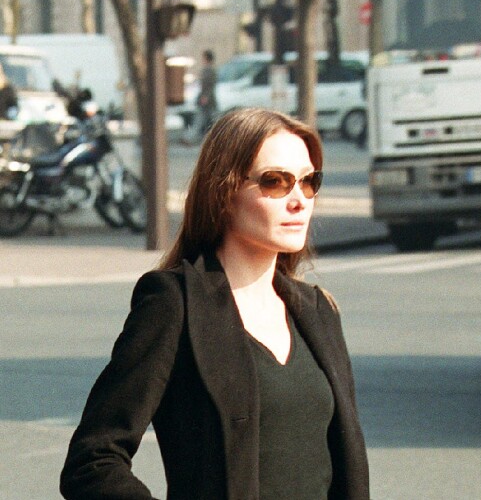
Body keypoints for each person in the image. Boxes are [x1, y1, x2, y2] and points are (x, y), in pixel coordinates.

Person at [60, 106, 370, 500]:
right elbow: (94, 461)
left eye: (309, 182)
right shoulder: (174, 304)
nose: (299, 200)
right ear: (224, 191)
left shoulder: (318, 311)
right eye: (276, 182)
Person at [197, 48, 217, 134]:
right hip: (205, 97)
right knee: (204, 117)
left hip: (208, 98)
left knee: (211, 117)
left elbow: (210, 85)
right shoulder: (206, 70)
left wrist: (205, 96)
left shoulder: (210, 71)